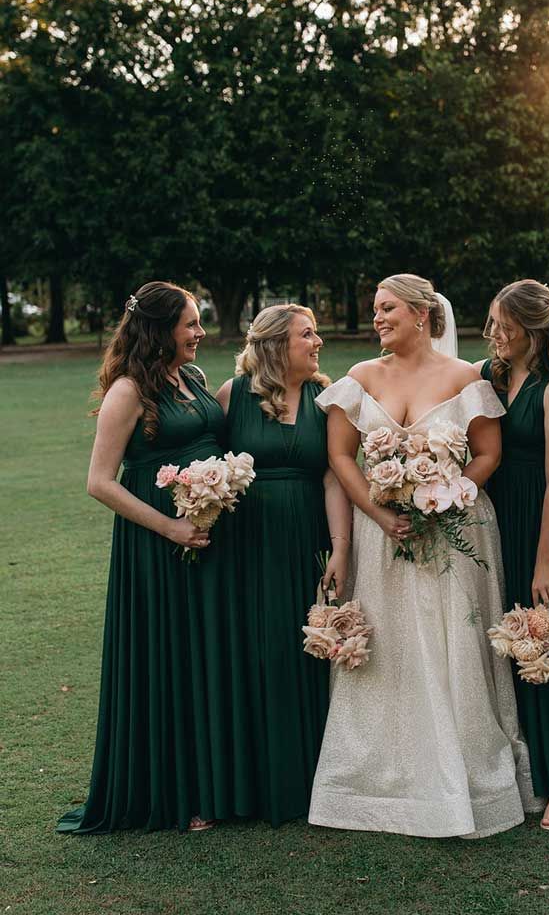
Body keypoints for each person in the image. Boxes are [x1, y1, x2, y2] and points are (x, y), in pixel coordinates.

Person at [308, 273, 536, 838]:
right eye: (375, 309)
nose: (377, 318)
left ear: (420, 314)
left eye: (387, 309)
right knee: (390, 642)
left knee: (450, 641)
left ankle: (465, 773)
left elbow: (488, 453)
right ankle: (380, 778)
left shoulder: (468, 378)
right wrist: (382, 514)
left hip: (457, 532)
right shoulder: (359, 378)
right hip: (380, 530)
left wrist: (446, 500)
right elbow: (340, 456)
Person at [57, 281, 238, 834]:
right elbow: (99, 482)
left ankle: (220, 784)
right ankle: (175, 794)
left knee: (208, 657)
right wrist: (170, 527)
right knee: (171, 661)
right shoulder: (128, 391)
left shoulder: (195, 378)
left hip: (210, 538)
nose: (200, 333)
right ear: (161, 331)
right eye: (190, 324)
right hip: (157, 546)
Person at [215, 304, 351, 825]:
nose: (318, 342)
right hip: (247, 546)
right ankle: (256, 782)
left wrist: (339, 547)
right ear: (275, 344)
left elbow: (334, 476)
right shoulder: (233, 396)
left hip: (308, 539)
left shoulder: (327, 398)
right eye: (307, 334)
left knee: (309, 650)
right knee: (256, 650)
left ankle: (314, 780)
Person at [480, 279, 549, 831]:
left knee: (539, 642)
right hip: (490, 517)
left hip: (537, 521)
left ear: (531, 328)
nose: (494, 333)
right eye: (492, 323)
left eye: (503, 324)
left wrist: (544, 560)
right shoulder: (489, 374)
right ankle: (519, 770)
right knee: (502, 644)